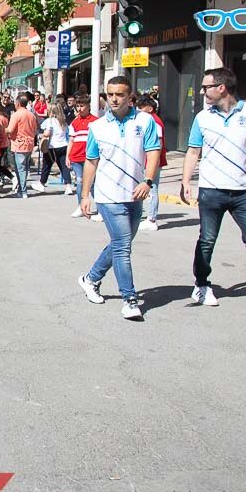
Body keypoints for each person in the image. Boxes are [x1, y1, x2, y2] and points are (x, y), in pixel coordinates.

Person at [180, 67, 246, 316]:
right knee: (207, 240)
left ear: (222, 88)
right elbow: (193, 151)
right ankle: (202, 285)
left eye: (207, 87)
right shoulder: (202, 118)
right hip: (211, 189)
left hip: (244, 191)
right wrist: (186, 181)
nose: (203, 91)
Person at [77, 76, 162, 321]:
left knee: (119, 244)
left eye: (120, 94)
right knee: (123, 246)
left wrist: (147, 180)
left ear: (129, 96)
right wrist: (85, 195)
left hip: (135, 193)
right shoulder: (98, 126)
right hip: (108, 195)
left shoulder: (145, 122)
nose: (114, 98)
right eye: (110, 94)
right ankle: (130, 299)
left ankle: (91, 279)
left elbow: (153, 151)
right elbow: (91, 161)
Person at [67, 94, 100, 221]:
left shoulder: (96, 121)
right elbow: (71, 140)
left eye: (82, 106)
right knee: (80, 180)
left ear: (88, 106)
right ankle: (80, 207)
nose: (80, 109)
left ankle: (100, 209)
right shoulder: (74, 122)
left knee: (92, 183)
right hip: (76, 157)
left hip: (90, 158)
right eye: (78, 106)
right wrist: (68, 156)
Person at [136, 96, 166, 230]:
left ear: (150, 108)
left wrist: (153, 163)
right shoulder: (149, 120)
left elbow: (157, 145)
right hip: (146, 161)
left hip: (153, 162)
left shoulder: (154, 122)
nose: (140, 110)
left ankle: (152, 219)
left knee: (152, 189)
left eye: (142, 107)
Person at [35, 102, 73, 195]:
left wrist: (41, 135)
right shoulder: (63, 121)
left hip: (52, 147)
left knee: (46, 165)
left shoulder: (50, 121)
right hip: (63, 145)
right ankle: (68, 186)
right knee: (64, 167)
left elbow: (47, 133)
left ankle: (42, 183)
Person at [6, 94, 39, 199]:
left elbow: (10, 130)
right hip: (29, 143)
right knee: (24, 168)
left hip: (19, 144)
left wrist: (3, 129)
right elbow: (35, 130)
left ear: (18, 103)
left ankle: (23, 191)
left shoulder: (16, 115)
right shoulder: (31, 115)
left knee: (20, 169)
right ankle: (22, 189)